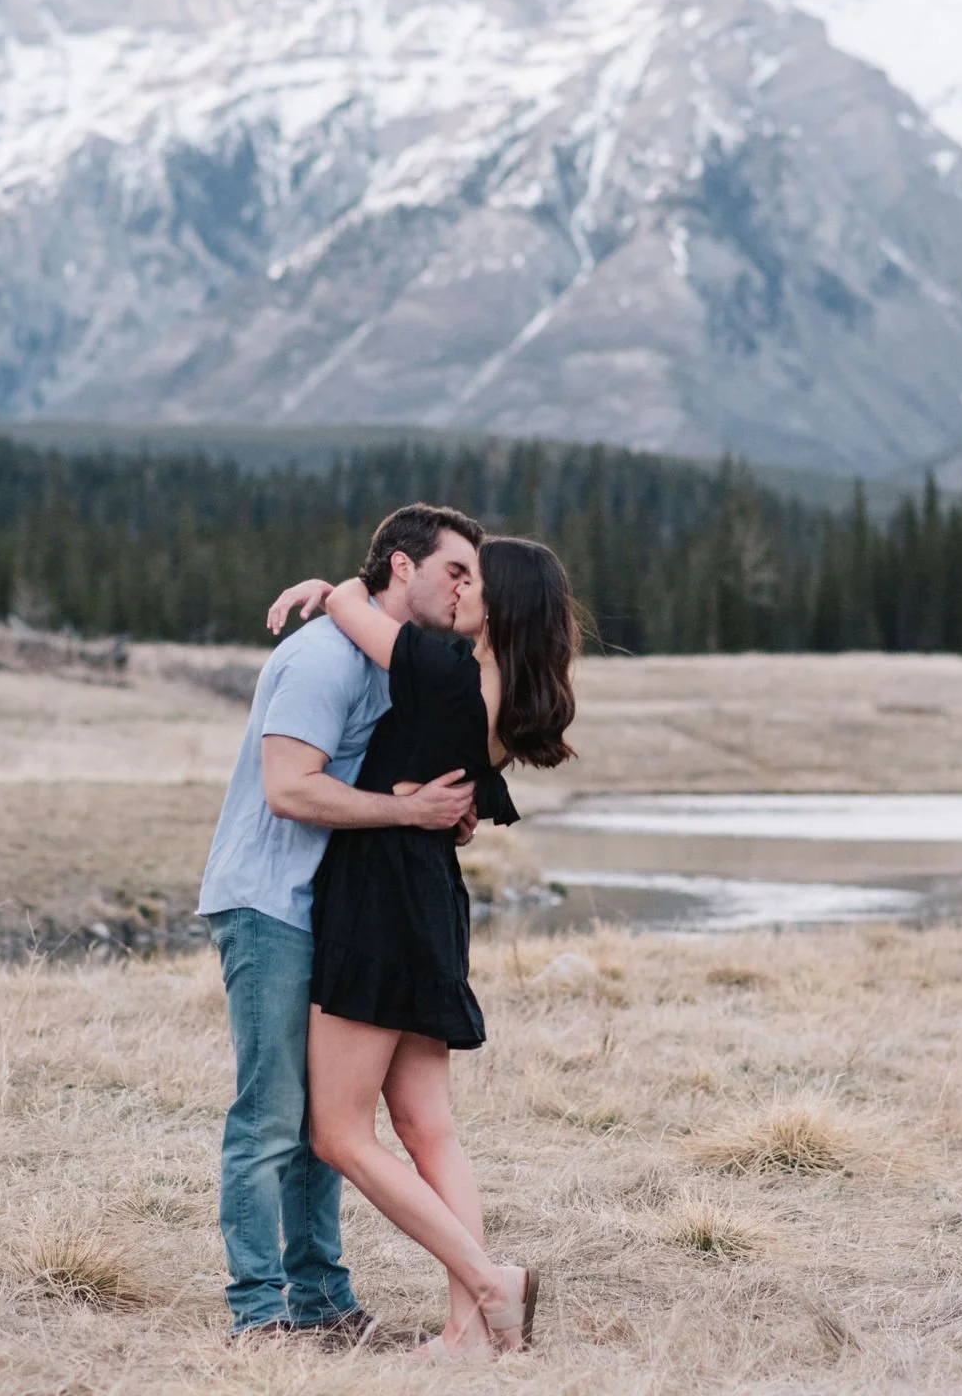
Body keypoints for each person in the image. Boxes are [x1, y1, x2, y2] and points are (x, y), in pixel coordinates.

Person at [266, 533, 580, 1361]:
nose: (461, 588)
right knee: (425, 1123)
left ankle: (488, 1283)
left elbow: (347, 607)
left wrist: (330, 585)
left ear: (501, 601)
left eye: (475, 579)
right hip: (431, 896)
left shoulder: (444, 674)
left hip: (379, 896)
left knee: (338, 1131)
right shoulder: (505, 697)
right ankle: (470, 1336)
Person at [197, 503, 485, 1340]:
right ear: (402, 566)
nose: (465, 589)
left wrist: (435, 807)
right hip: (266, 902)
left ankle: (322, 1301)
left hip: (330, 907)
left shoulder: (382, 655)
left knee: (331, 1118)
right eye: (453, 571)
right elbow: (289, 788)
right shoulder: (322, 658)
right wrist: (407, 814)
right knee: (271, 1114)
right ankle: (258, 1316)